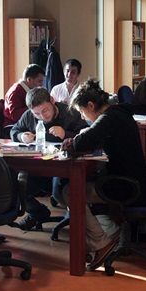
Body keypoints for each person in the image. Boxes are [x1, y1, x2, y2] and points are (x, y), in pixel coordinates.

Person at [61, 78, 146, 271]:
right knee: (87, 182)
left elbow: (81, 142)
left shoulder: (109, 118)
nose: (83, 117)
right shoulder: (119, 112)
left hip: (127, 186)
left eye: (82, 112)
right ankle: (107, 232)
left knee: (71, 191)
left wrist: (73, 140)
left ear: (91, 105)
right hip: (139, 181)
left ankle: (100, 241)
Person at [10, 87, 88, 230]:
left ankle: (76, 218)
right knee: (17, 188)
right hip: (38, 166)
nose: (42, 116)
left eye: (45, 111)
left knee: (59, 192)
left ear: (52, 101)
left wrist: (66, 134)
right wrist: (21, 136)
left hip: (64, 167)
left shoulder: (71, 113)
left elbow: (86, 136)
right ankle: (38, 213)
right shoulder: (29, 116)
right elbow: (14, 130)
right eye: (37, 114)